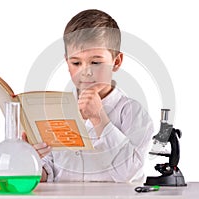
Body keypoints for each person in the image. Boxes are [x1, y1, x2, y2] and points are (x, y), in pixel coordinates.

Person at [23, 9, 154, 183]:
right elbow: (48, 174)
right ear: (67, 62)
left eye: (96, 62)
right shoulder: (55, 110)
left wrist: (99, 118)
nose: (85, 72)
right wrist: (30, 159)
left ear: (116, 62)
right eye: (76, 62)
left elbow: (128, 174)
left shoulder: (133, 113)